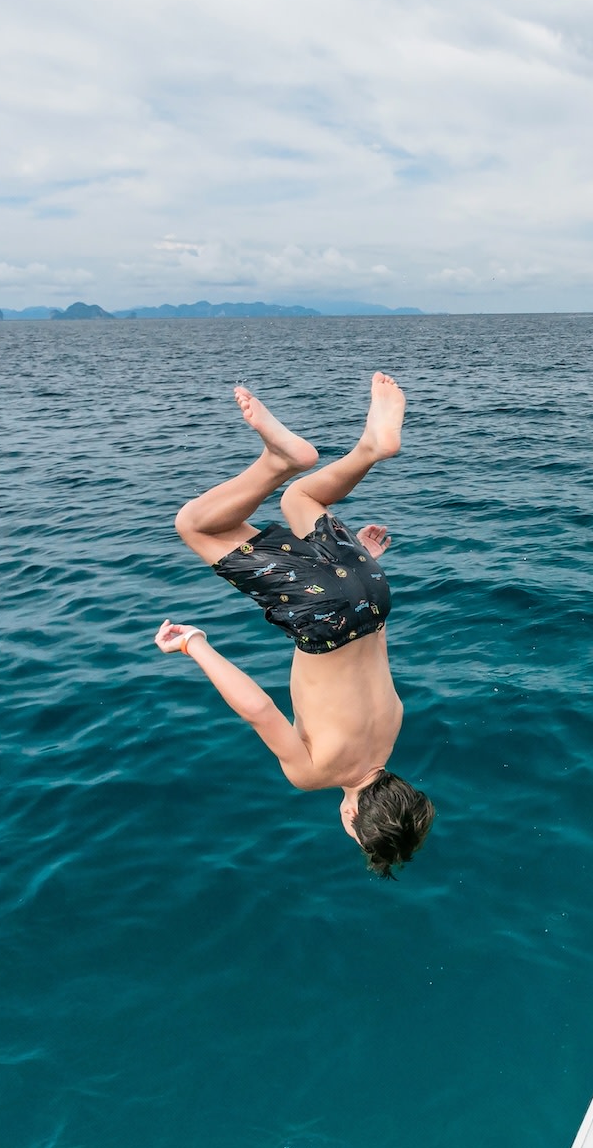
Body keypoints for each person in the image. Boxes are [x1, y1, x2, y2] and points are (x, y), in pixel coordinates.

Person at [155, 374, 434, 878]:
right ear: (353, 821)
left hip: (373, 598)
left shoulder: (390, 732)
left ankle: (371, 449)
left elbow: (375, 647)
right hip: (320, 615)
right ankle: (280, 460)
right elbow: (259, 710)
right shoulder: (316, 775)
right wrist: (196, 645)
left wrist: (364, 566)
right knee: (193, 526)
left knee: (301, 500)